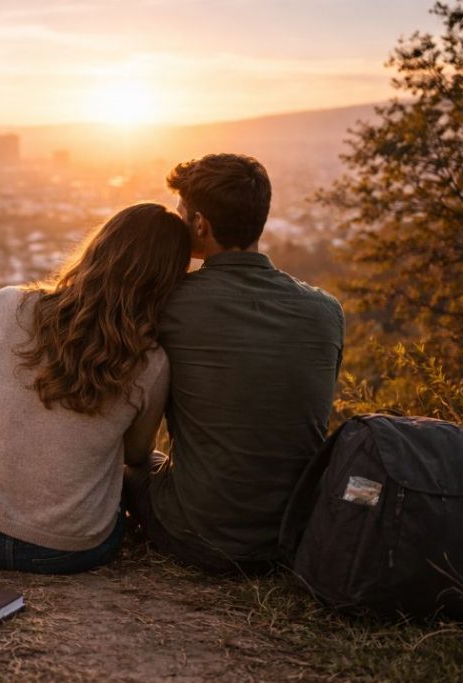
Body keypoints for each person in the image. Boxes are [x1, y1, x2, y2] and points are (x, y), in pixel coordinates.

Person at [0, 203, 191, 574]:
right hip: (67, 551)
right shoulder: (150, 363)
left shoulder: (7, 305)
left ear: (99, 247)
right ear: (166, 283)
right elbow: (135, 455)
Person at [124, 154, 344, 574]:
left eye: (181, 216)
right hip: (290, 532)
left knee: (134, 465)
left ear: (200, 224)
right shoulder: (325, 312)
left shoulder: (170, 304)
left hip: (197, 534)